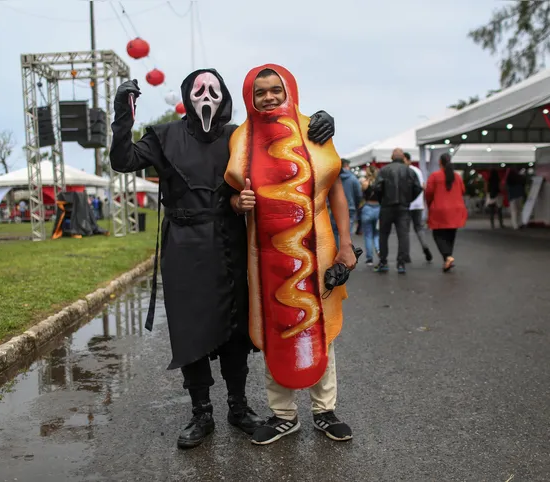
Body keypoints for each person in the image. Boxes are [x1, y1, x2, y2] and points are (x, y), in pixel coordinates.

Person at [109, 70, 336, 449]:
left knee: (235, 328)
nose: (206, 97)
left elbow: (286, 137)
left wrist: (320, 124)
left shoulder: (239, 135)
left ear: (227, 95)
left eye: (214, 90)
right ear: (186, 95)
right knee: (189, 326)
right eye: (198, 91)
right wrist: (122, 115)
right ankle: (201, 412)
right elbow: (123, 159)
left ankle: (238, 406)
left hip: (231, 239)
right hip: (184, 243)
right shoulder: (164, 136)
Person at [224, 64, 356, 446]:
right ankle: (283, 415)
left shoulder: (314, 129)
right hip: (262, 254)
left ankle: (324, 411)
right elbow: (230, 194)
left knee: (320, 324)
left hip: (319, 245)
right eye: (260, 91)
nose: (268, 97)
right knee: (273, 325)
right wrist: (238, 201)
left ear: (288, 90)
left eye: (274, 89)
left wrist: (346, 245)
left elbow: (336, 191)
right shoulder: (240, 139)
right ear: (250, 95)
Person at [373, 147, 422, 274]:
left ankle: (383, 262)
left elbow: (377, 188)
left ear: (391, 157)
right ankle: (401, 263)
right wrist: (409, 199)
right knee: (403, 235)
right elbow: (418, 188)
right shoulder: (410, 171)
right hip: (403, 207)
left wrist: (382, 200)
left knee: (383, 235)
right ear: (403, 158)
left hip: (387, 206)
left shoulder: (384, 170)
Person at [425, 153, 467, 272]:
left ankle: (447, 257)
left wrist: (429, 205)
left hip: (440, 209)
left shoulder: (435, 176)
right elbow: (463, 190)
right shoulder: (457, 177)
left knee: (437, 234)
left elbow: (428, 193)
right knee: (450, 234)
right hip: (456, 209)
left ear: (440, 162)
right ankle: (447, 259)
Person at [404, 152, 433, 261]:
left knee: (405, 230)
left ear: (407, 160)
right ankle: (425, 248)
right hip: (418, 204)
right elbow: (423, 186)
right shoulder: (418, 171)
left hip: (407, 204)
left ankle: (406, 254)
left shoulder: (405, 171)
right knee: (419, 228)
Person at [331, 159, 362, 246]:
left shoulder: (333, 178)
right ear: (346, 166)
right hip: (350, 208)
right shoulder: (353, 178)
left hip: (335, 208)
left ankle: (337, 252)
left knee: (335, 231)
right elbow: (359, 194)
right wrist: (356, 205)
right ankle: (346, 252)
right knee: (347, 233)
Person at [360, 168, 380, 265]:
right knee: (377, 234)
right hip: (378, 209)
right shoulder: (379, 184)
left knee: (368, 235)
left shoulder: (364, 183)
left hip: (367, 209)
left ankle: (369, 259)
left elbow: (361, 196)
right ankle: (379, 250)